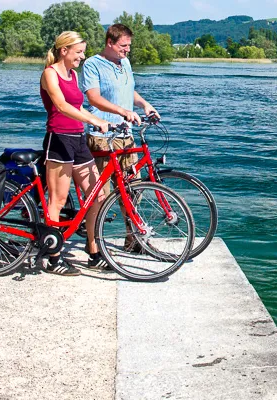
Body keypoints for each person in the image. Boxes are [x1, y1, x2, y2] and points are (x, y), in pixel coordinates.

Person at [80, 23, 160, 260]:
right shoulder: (93, 64)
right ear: (110, 43)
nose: (128, 51)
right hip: (102, 137)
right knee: (100, 196)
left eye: (129, 46)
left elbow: (129, 91)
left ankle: (132, 239)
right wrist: (121, 111)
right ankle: (93, 246)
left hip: (126, 136)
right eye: (124, 46)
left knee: (132, 190)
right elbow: (93, 97)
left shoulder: (125, 63)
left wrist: (144, 105)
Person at [40, 31, 109, 276]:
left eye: (83, 51)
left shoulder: (73, 74)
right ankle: (54, 258)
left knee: (97, 196)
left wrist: (99, 119)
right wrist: (92, 118)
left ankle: (93, 252)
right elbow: (61, 106)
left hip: (78, 140)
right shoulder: (50, 73)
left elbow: (77, 104)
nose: (83, 56)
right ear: (64, 50)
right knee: (57, 201)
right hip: (58, 140)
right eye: (79, 51)